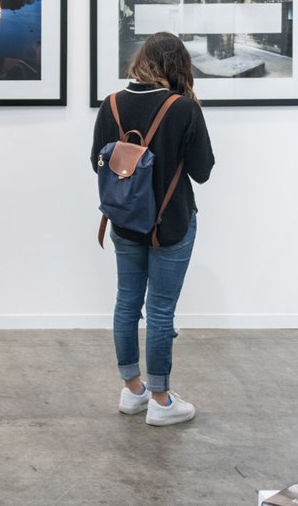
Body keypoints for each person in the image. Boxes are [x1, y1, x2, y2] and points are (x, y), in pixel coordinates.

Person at [90, 31, 215, 427]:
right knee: (160, 310)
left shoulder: (111, 104)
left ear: (141, 60)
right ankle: (161, 400)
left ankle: (133, 391)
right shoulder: (183, 108)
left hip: (124, 222)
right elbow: (203, 171)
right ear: (179, 66)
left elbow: (97, 162)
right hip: (171, 223)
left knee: (127, 303)